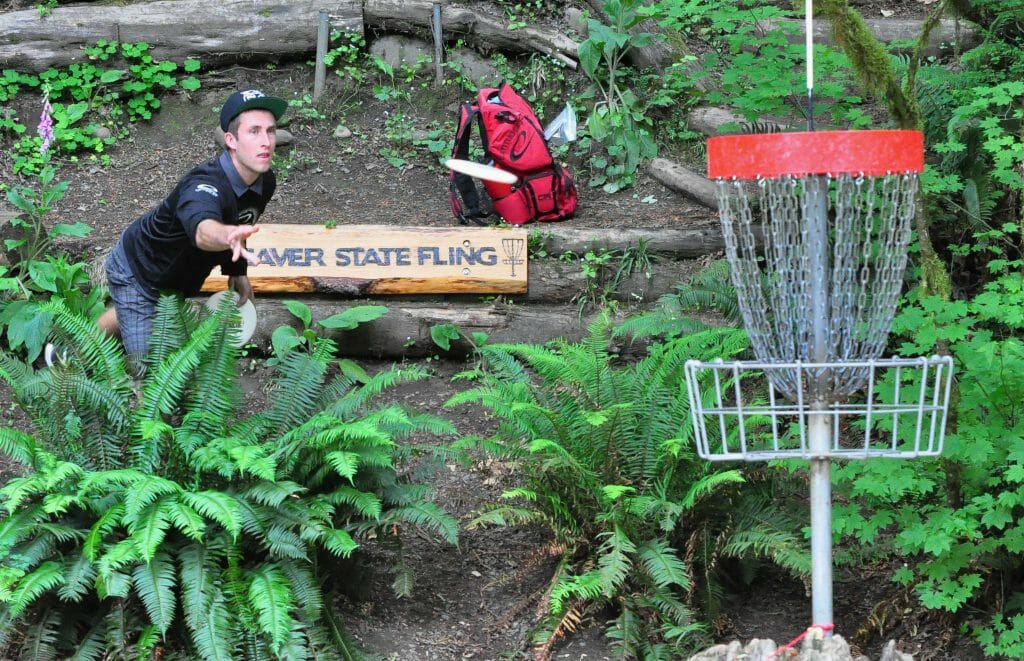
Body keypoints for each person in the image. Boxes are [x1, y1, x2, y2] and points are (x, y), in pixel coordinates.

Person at [87, 89, 287, 368]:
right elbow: (203, 229)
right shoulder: (202, 186)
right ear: (231, 140)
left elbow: (243, 222)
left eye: (270, 131)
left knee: (132, 313)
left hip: (175, 276)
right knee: (151, 369)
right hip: (138, 269)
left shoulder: (264, 181)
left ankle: (70, 349)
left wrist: (238, 272)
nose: (266, 141)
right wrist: (226, 235)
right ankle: (67, 365)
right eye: (254, 131)